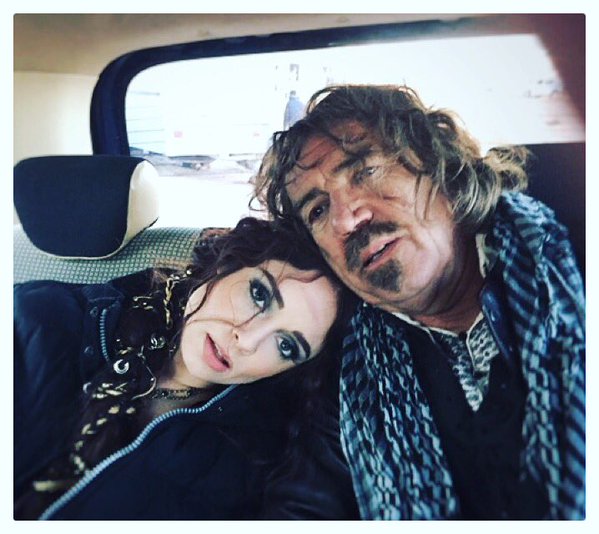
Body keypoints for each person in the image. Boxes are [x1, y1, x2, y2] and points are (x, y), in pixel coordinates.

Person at [254, 84, 585, 520]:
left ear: (438, 164)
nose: (346, 219)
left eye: (365, 171)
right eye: (317, 211)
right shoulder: (348, 379)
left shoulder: (574, 250)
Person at [14, 216, 358, 520]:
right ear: (227, 265)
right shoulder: (41, 319)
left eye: (286, 346)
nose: (247, 340)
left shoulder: (248, 468)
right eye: (259, 295)